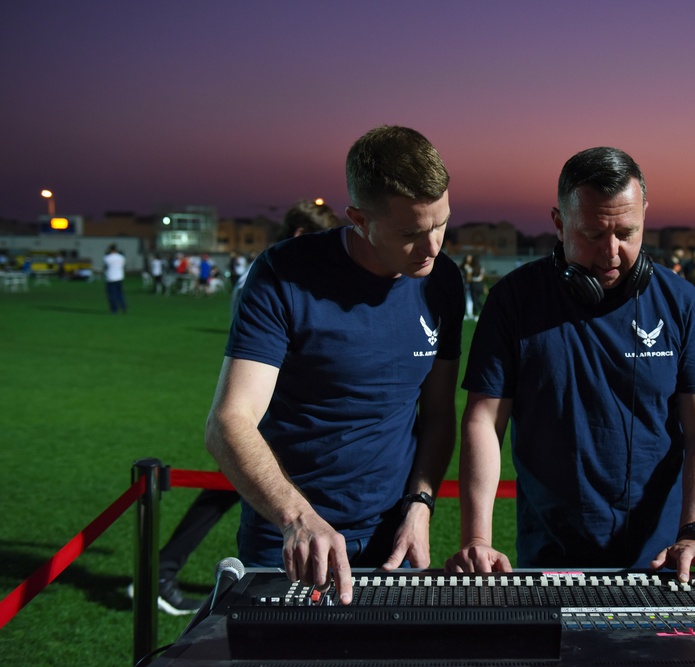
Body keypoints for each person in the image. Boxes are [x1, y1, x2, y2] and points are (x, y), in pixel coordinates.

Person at [446, 147, 695, 585]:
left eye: (627, 232)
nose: (611, 252)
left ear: (646, 214)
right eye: (592, 234)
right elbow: (484, 421)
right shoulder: (513, 300)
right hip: (548, 557)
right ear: (558, 222)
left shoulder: (680, 303)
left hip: (664, 563)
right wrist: (477, 538)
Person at [205, 125, 463, 605]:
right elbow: (228, 422)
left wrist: (421, 503)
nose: (432, 248)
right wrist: (297, 519)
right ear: (358, 219)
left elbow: (438, 413)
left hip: (393, 539)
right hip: (290, 540)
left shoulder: (443, 280)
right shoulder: (283, 274)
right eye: (410, 232)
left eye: (441, 224)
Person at [134, 199, 343, 615]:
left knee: (227, 494)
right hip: (267, 417)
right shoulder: (267, 282)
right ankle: (164, 573)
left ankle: (162, 572)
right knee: (247, 497)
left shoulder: (273, 276)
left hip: (270, 415)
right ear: (302, 236)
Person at [103, 244, 127, 313]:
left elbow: (105, 266)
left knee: (112, 295)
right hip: (119, 277)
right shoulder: (121, 257)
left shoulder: (107, 258)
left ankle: (114, 309)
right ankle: (123, 307)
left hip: (110, 278)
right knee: (120, 293)